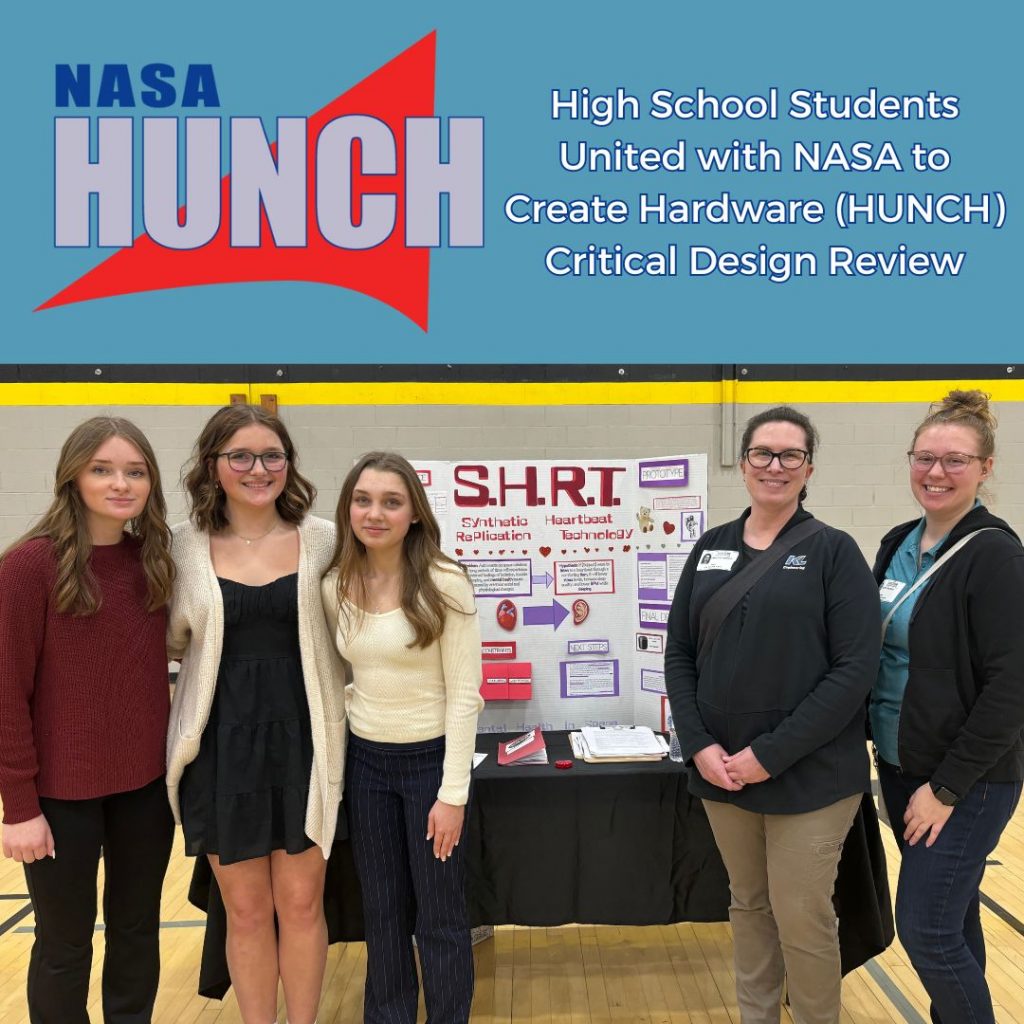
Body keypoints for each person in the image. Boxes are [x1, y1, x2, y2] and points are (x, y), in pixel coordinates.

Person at [665, 406, 881, 1024]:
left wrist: (771, 753)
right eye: (763, 453)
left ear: (808, 467)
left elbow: (852, 673)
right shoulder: (710, 548)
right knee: (749, 906)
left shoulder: (835, 552)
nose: (775, 466)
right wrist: (698, 743)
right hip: (722, 772)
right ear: (745, 462)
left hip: (809, 775)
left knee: (801, 914)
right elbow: (678, 652)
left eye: (790, 455)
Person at [166, 405, 346, 1024]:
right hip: (219, 750)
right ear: (213, 467)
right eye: (239, 456)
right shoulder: (182, 548)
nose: (257, 469)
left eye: (272, 456)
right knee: (244, 911)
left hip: (307, 744)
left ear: (289, 465)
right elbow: (166, 642)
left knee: (301, 904)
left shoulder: (324, 539)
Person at [0, 417, 176, 1024]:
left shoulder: (154, 562)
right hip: (58, 799)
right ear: (72, 477)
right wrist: (19, 806)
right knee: (64, 946)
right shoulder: (27, 568)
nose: (120, 483)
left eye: (135, 471)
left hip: (144, 794)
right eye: (102, 469)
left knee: (137, 933)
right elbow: (5, 696)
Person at [871, 390, 1024, 1024]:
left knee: (927, 933)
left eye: (955, 460)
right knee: (953, 920)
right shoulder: (896, 542)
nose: (935, 472)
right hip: (902, 765)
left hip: (965, 781)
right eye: (924, 457)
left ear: (986, 468)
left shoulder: (996, 557)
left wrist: (947, 787)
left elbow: (1011, 688)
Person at [322, 451, 484, 1024]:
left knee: (439, 914)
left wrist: (452, 794)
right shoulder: (334, 584)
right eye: (363, 500)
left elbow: (466, 696)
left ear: (414, 512)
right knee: (382, 911)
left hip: (430, 768)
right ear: (347, 509)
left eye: (391, 501)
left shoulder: (444, 582)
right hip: (367, 767)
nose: (375, 513)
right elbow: (338, 678)